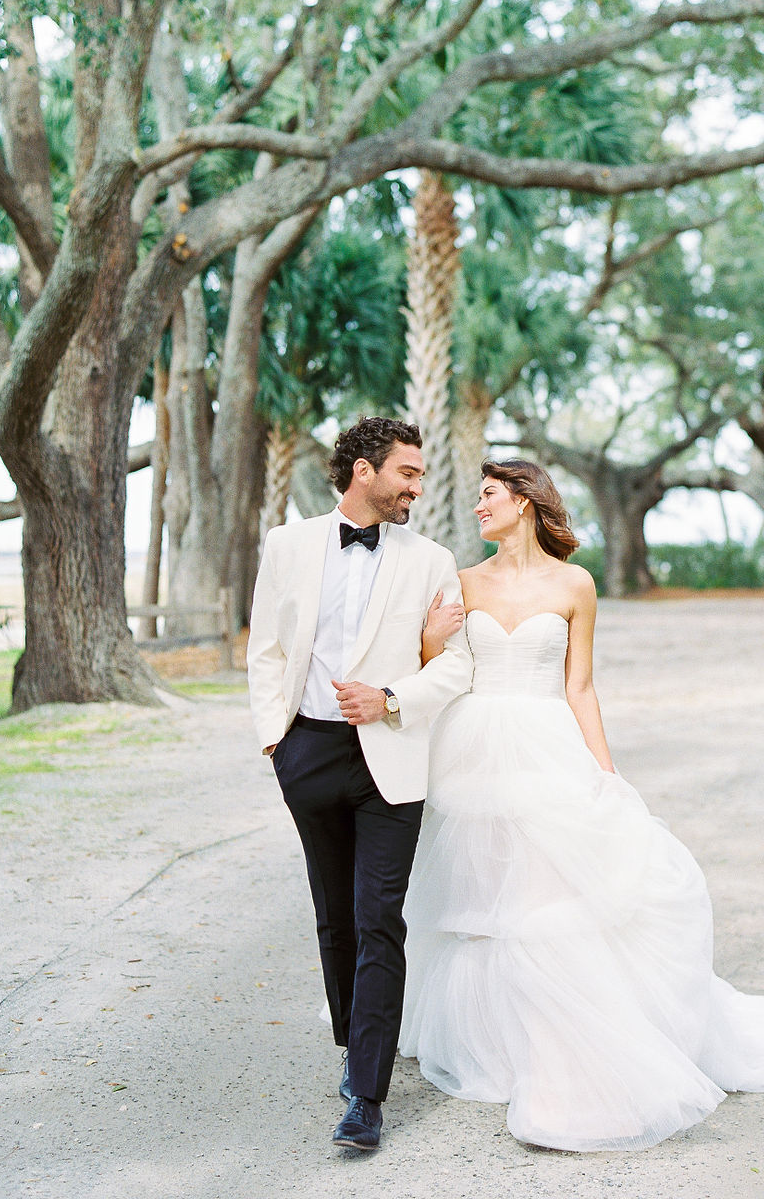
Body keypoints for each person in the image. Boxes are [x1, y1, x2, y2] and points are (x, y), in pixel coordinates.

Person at [399, 458, 764, 1152]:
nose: (478, 508)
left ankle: (562, 1055)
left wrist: (605, 776)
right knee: (485, 903)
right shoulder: (461, 581)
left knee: (548, 905)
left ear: (525, 502)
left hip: (548, 745)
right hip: (474, 752)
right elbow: (440, 667)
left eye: (488, 496)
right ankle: (492, 1043)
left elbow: (579, 686)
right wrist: (433, 638)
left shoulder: (576, 584)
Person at [247, 417, 472, 1152]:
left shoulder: (432, 560)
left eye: (420, 475)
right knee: (333, 917)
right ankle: (353, 1045)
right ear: (362, 471)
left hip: (392, 761)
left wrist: (392, 699)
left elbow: (456, 665)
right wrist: (275, 740)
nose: (417, 486)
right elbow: (267, 649)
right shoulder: (287, 546)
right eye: (407, 472)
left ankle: (366, 1098)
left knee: (380, 919)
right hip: (307, 753)